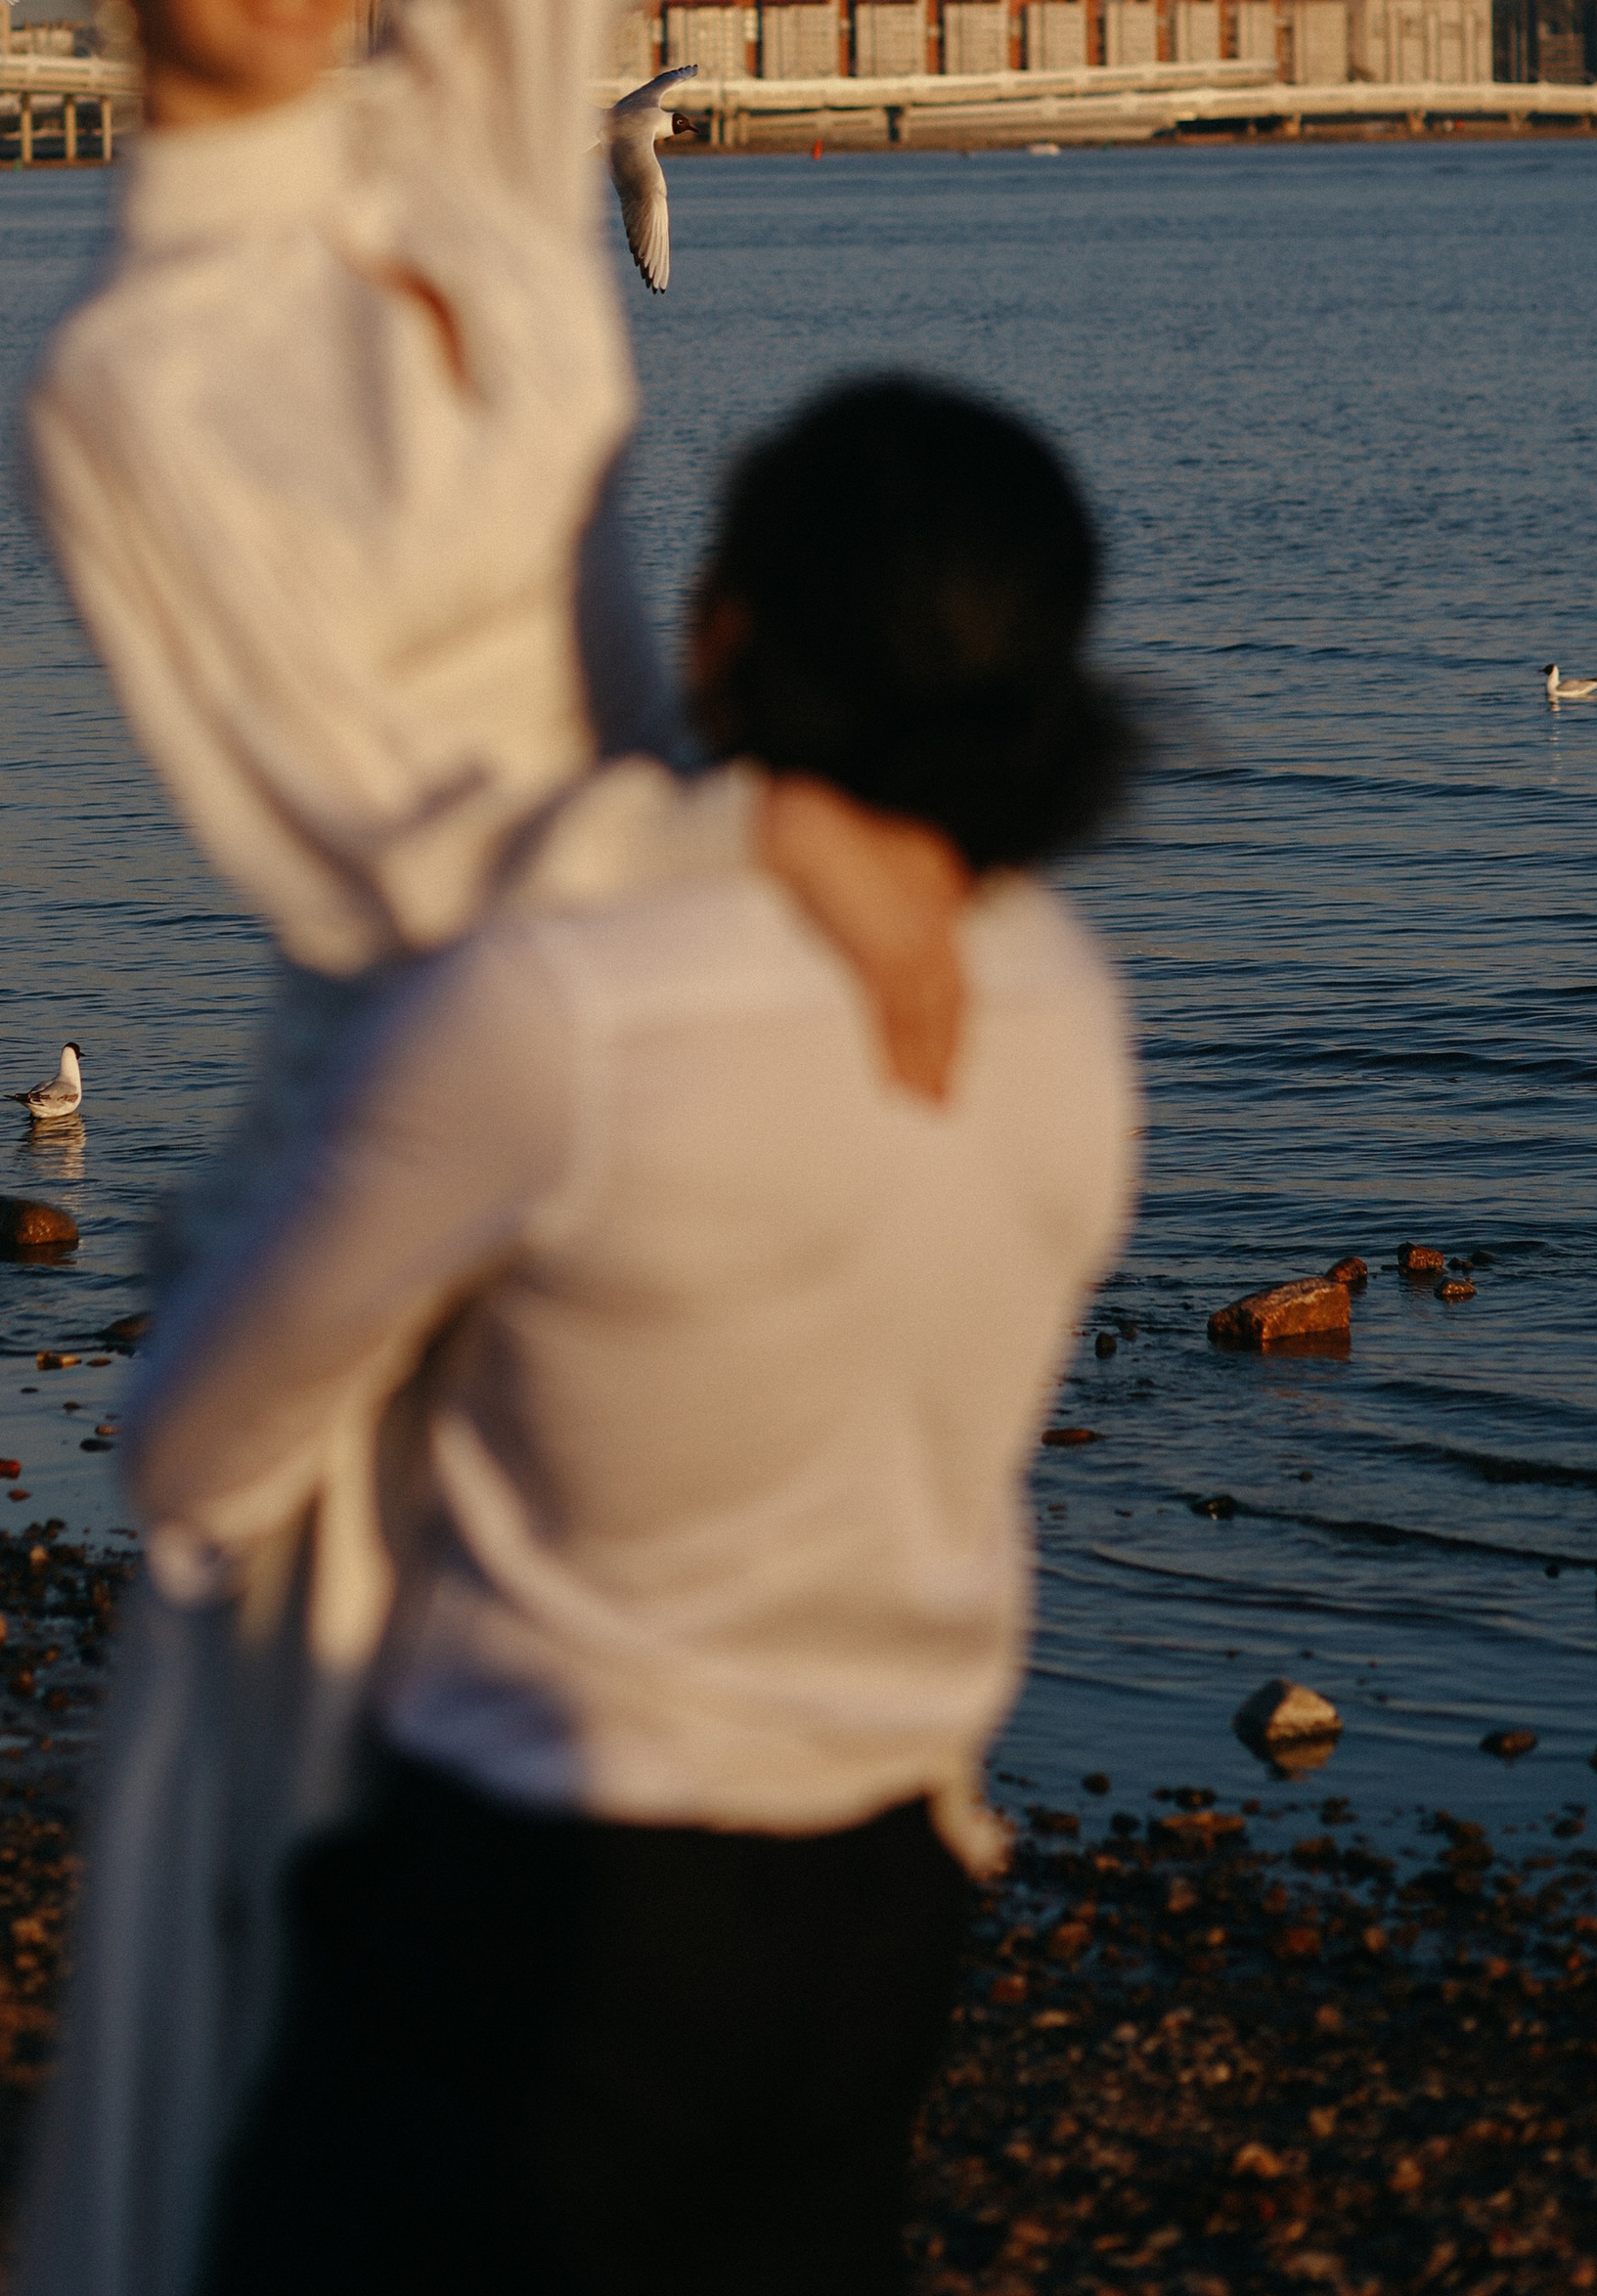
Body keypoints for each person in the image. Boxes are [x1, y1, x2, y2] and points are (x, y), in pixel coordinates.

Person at [15, 0, 962, 2296]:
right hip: (432, 1142)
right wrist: (769, 869)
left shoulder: (466, 137)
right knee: (366, 1949)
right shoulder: (130, 379)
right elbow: (386, 836)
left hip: (665, 1049)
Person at [127, 376, 1142, 2296]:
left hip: (542, 1895)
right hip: (883, 1900)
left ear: (721, 634)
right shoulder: (1064, 1011)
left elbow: (196, 1455)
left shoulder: (562, 1017)